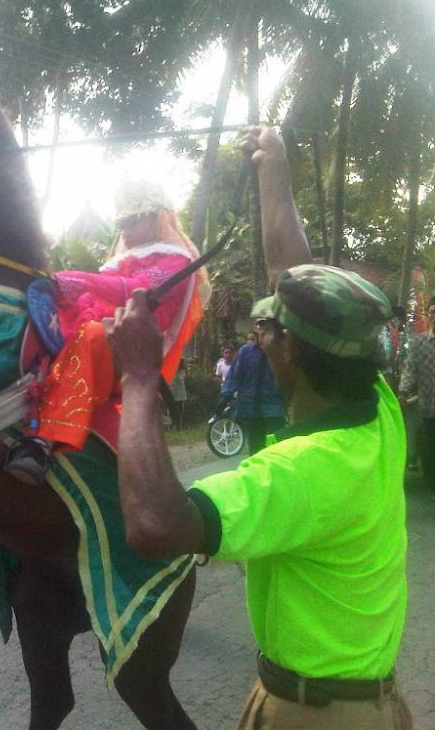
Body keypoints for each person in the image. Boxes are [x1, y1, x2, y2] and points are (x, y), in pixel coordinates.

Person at [106, 125, 412, 730]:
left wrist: (139, 379)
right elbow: (294, 273)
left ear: (290, 351)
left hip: (314, 716)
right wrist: (274, 165)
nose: (258, 334)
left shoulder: (299, 473)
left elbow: (156, 525)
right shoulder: (379, 410)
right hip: (361, 701)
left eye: (267, 328)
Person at [5, 177, 210, 484]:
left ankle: (42, 440)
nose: (124, 230)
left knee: (93, 335)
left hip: (131, 349)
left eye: (132, 221)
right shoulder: (123, 259)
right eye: (121, 223)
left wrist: (80, 280)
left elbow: (135, 290)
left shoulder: (176, 261)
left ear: (156, 218)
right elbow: (97, 295)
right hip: (103, 333)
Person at [223, 329, 287, 455]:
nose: (260, 337)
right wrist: (225, 395)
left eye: (264, 332)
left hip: (273, 409)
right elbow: (234, 375)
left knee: (275, 450)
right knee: (255, 449)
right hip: (250, 408)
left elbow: (287, 376)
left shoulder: (280, 350)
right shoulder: (245, 352)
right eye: (258, 333)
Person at [399, 300, 435, 493]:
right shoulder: (418, 344)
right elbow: (410, 370)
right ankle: (432, 486)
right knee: (428, 449)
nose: (434, 316)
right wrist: (403, 391)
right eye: (432, 312)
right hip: (428, 406)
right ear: (428, 316)